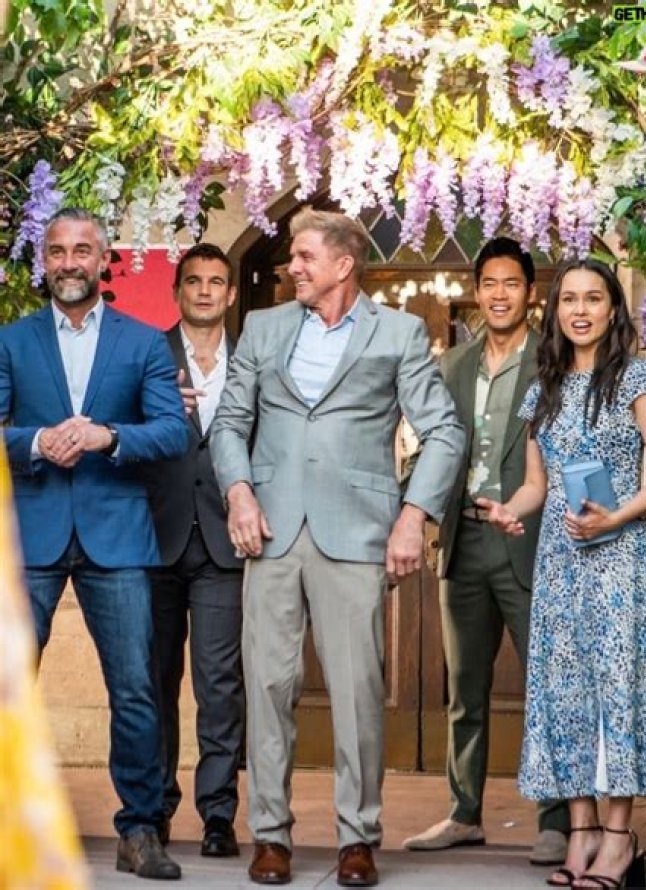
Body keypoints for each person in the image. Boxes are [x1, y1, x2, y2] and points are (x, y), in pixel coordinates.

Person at [210, 207, 465, 887]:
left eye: (304, 256)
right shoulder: (264, 328)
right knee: (268, 686)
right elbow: (230, 421)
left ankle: (358, 837)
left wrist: (413, 516)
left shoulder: (398, 333)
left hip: (356, 532)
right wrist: (239, 491)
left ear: (343, 264)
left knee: (357, 691)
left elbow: (444, 432)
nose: (292, 266)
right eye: (292, 256)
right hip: (269, 530)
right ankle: (270, 835)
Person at [479, 259, 646, 888]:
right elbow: (536, 485)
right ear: (555, 311)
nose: (580, 310)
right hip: (560, 561)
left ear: (612, 308)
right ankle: (582, 834)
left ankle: (620, 840)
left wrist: (615, 516)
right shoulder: (543, 386)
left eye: (593, 299)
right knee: (565, 693)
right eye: (569, 299)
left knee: (618, 690)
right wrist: (509, 510)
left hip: (619, 557)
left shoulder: (639, 376)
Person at [0, 208, 187, 881]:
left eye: (82, 250)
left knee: (135, 689)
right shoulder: (11, 341)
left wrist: (109, 436)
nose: (69, 262)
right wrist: (34, 442)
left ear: (103, 260)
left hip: (118, 536)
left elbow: (173, 432)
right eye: (57, 251)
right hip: (33, 532)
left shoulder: (143, 343)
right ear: (43, 261)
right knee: (8, 687)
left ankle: (140, 830)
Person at [403, 238, 569, 864]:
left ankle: (556, 820)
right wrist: (412, 513)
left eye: (511, 284)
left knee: (547, 685)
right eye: (490, 284)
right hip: (465, 540)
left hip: (532, 540)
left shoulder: (555, 364)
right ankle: (463, 812)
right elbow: (429, 447)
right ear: (477, 292)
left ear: (530, 293)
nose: (500, 295)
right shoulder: (452, 365)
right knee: (464, 688)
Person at [143, 243, 245, 857]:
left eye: (216, 281)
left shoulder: (253, 359)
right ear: (177, 290)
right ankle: (154, 809)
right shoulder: (147, 355)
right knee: (154, 681)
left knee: (219, 683)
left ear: (231, 293)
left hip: (223, 544)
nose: (205, 291)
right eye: (194, 281)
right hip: (155, 540)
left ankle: (218, 815)